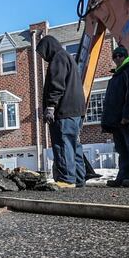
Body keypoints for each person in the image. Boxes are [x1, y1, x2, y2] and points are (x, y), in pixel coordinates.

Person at [36, 35, 87, 188]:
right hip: (76, 111)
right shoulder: (68, 58)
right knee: (74, 145)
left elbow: (56, 85)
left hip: (64, 111)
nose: (42, 56)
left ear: (48, 47)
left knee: (63, 144)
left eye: (42, 52)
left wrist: (50, 106)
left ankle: (66, 179)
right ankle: (78, 178)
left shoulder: (57, 58)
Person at [102, 46, 129, 188]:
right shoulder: (117, 75)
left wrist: (127, 115)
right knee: (122, 150)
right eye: (114, 56)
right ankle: (123, 176)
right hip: (116, 121)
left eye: (119, 55)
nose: (116, 58)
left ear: (124, 56)